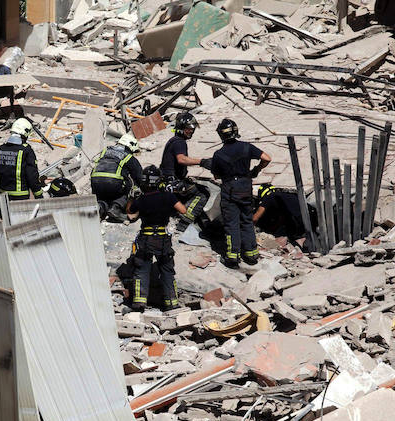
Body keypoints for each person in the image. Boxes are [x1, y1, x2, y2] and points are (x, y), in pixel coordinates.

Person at [196, 118, 271, 268]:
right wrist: (256, 170)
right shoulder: (247, 147)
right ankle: (251, 254)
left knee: (232, 224)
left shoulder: (218, 154)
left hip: (229, 189)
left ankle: (233, 256)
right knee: (247, 220)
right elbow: (267, 158)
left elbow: (216, 176)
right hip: (245, 187)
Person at [127, 166, 188, 311]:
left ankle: (139, 302)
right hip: (162, 238)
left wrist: (131, 198)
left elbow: (130, 214)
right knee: (167, 270)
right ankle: (172, 303)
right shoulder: (167, 196)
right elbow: (183, 210)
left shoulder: (141, 199)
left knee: (141, 269)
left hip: (146, 238)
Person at [0, 118, 44, 209]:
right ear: (25, 134)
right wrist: (38, 195)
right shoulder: (26, 151)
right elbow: (32, 175)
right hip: (20, 197)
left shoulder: (0, 149)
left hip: (3, 197)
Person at [90, 133, 145, 222]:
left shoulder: (105, 151)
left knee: (103, 194)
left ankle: (100, 208)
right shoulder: (128, 156)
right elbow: (139, 176)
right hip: (113, 183)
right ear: (130, 146)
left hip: (95, 181)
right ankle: (116, 207)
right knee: (131, 184)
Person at [160, 112, 201, 182]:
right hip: (172, 182)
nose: (191, 131)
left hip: (169, 179)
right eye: (188, 129)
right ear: (181, 128)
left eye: (193, 129)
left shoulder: (174, 140)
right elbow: (182, 159)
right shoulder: (179, 142)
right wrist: (202, 162)